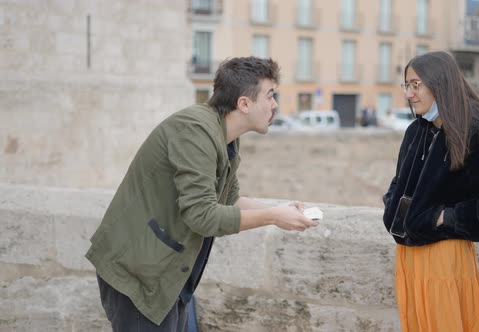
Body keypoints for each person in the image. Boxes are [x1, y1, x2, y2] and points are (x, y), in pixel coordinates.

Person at [85, 56, 319, 331]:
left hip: (166, 276)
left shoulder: (226, 137)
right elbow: (202, 216)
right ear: (244, 104)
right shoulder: (195, 131)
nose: (275, 104)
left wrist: (283, 210)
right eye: (270, 95)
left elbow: (230, 200)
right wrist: (273, 217)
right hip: (139, 274)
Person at [382, 51, 479, 332]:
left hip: (444, 259)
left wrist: (446, 218)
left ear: (439, 84)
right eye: (407, 85)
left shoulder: (475, 135)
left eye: (416, 84)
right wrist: (392, 205)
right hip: (408, 260)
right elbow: (399, 183)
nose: (410, 93)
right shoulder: (416, 131)